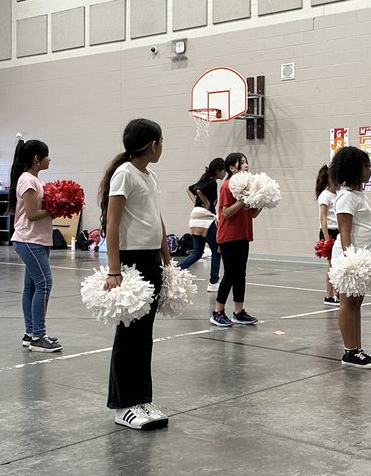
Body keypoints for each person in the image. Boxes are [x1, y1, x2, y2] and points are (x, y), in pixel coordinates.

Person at [99, 118, 171, 430]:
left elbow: (157, 218)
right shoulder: (124, 174)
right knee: (128, 334)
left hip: (152, 259)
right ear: (151, 144)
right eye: (161, 141)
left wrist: (167, 262)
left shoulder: (150, 175)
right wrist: (115, 270)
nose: (162, 147)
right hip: (130, 261)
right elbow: (112, 224)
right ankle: (122, 404)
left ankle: (142, 398)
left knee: (144, 335)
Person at [331, 147, 371, 369]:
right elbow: (345, 233)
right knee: (348, 303)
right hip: (351, 260)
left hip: (363, 259)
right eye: (367, 166)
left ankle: (357, 349)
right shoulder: (346, 197)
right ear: (355, 169)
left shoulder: (359, 195)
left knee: (356, 304)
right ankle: (350, 352)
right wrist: (349, 261)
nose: (370, 170)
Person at [8, 139, 61, 353]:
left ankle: (31, 333)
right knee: (44, 283)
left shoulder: (34, 180)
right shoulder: (27, 181)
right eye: (46, 155)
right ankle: (39, 335)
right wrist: (55, 209)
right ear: (37, 159)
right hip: (29, 240)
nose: (50, 159)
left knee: (32, 286)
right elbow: (31, 214)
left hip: (37, 239)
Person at [212, 152, 259, 328]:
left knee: (241, 275)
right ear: (232, 168)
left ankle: (238, 312)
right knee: (230, 274)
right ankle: (217, 311)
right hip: (228, 237)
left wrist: (261, 201)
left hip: (243, 235)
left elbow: (252, 214)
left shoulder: (246, 188)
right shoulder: (227, 186)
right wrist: (242, 200)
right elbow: (226, 213)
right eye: (243, 162)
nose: (246, 165)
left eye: (247, 162)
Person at [177, 157, 226, 292]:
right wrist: (206, 202)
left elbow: (189, 189)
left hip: (195, 216)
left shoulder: (204, 180)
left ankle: (175, 271)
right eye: (223, 171)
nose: (225, 174)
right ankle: (213, 282)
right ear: (218, 171)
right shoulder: (212, 183)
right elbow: (198, 190)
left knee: (197, 253)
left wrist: (196, 202)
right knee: (217, 249)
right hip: (205, 218)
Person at [316, 164, 340, 304]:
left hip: (338, 231)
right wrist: (326, 239)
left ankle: (337, 293)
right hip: (328, 232)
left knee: (338, 264)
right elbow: (323, 218)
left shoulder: (338, 194)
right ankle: (330, 295)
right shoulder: (325, 195)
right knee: (332, 265)